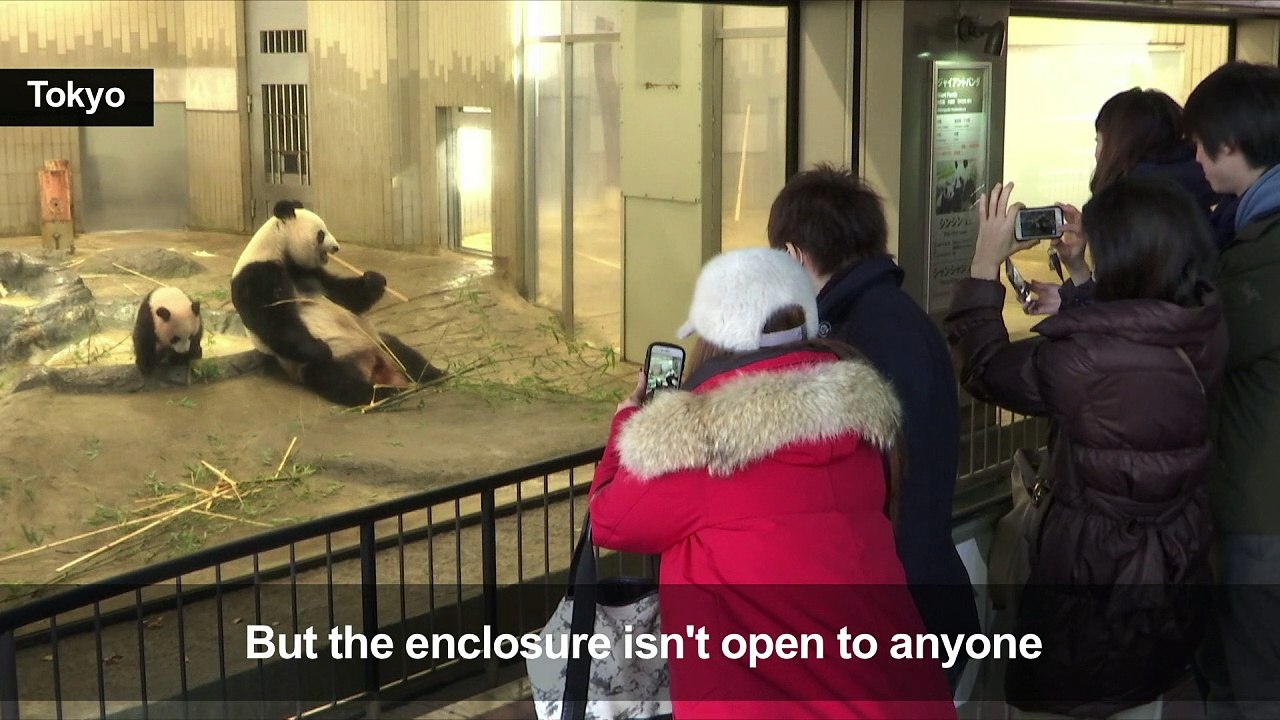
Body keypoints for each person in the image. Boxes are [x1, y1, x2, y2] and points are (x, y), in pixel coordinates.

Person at [589, 248, 957, 719]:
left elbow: (608, 520)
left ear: (712, 339)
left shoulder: (696, 449)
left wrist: (628, 422)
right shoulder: (863, 437)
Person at [945, 176, 1227, 718]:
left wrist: (984, 264)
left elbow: (987, 370)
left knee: (1082, 692)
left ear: (1125, 258)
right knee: (1139, 692)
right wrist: (1079, 280)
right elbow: (1135, 325)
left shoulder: (1086, 360)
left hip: (1092, 584)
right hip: (1170, 569)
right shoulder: (1202, 326)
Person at [765, 164, 981, 691]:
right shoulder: (901, 317)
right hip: (927, 589)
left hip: (887, 616)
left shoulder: (850, 342)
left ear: (794, 255)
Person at [1182, 60, 1280, 720]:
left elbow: (1208, 351)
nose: (1194, 159)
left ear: (1231, 143)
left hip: (1261, 510)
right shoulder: (1250, 231)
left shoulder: (1264, 250)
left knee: (1255, 678)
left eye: (1199, 143)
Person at [1025, 87, 1235, 315]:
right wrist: (1076, 282)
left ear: (1119, 143)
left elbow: (1127, 317)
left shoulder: (1135, 208)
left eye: (1099, 141)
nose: (1097, 153)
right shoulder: (1195, 194)